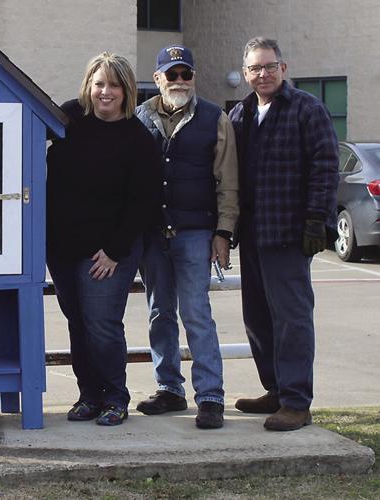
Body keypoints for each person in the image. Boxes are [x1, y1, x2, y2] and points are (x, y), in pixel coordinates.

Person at [228, 37, 338, 431]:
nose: (263, 74)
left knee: (292, 319)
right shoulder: (240, 114)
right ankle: (274, 389)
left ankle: (296, 402)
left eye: (269, 66)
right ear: (245, 74)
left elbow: (326, 166)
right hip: (253, 234)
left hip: (290, 236)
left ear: (283, 68)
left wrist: (316, 220)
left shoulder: (307, 109)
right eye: (255, 68)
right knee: (257, 318)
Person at [46, 52, 160, 426]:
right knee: (77, 322)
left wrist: (114, 251)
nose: (105, 92)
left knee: (101, 323)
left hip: (111, 250)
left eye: (113, 85)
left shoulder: (138, 139)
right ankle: (88, 395)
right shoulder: (68, 118)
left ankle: (115, 396)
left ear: (127, 90)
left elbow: (142, 203)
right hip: (63, 246)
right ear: (88, 86)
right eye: (99, 84)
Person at [134, 45, 239, 429]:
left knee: (197, 314)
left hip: (195, 233)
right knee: (159, 313)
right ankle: (169, 390)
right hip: (152, 234)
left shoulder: (215, 118)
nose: (180, 81)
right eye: (172, 74)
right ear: (158, 77)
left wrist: (224, 232)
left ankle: (210, 396)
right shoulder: (139, 116)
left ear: (193, 77)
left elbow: (228, 182)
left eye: (186, 74)